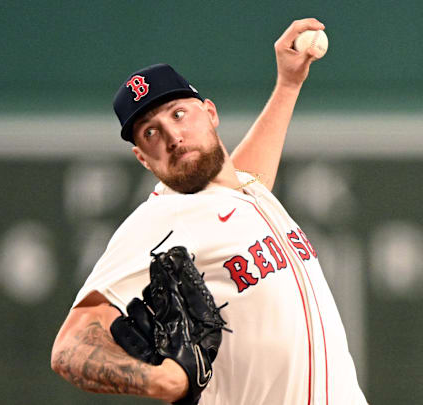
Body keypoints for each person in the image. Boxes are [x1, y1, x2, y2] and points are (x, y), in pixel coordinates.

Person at [51, 18, 368, 405]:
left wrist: (287, 85)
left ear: (210, 112)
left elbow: (243, 178)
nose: (172, 136)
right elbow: (69, 346)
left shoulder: (246, 193)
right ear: (142, 158)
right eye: (150, 132)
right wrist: (159, 382)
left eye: (178, 114)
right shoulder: (160, 220)